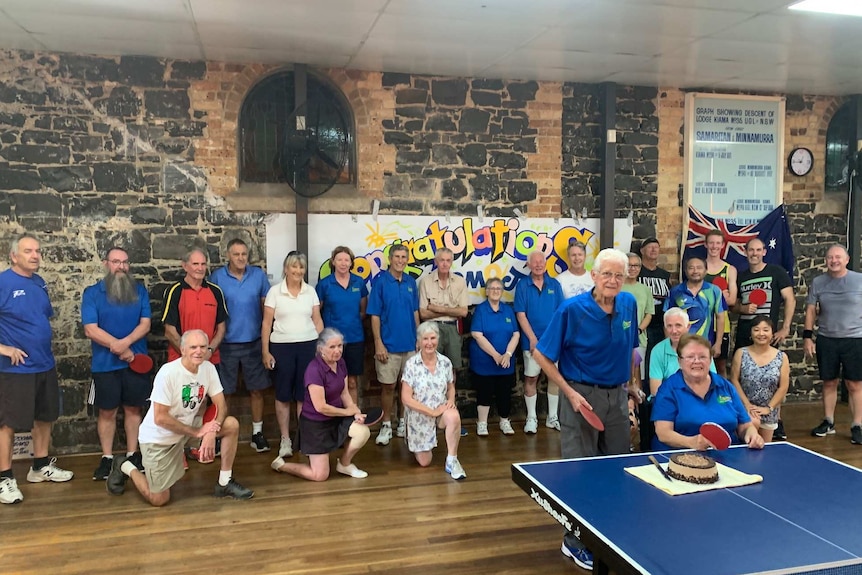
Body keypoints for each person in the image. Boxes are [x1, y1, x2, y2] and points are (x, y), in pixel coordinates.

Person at [533, 248, 641, 571]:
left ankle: (607, 533)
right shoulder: (571, 310)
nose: (612, 280)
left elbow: (631, 348)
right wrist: (568, 393)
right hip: (581, 395)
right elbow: (541, 356)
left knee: (615, 469)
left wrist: (632, 386)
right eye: (606, 273)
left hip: (617, 397)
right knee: (581, 472)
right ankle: (574, 540)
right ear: (593, 276)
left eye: (618, 275)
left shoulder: (628, 304)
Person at [106, 329, 253, 504]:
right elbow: (160, 418)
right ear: (182, 350)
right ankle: (124, 465)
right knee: (159, 499)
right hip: (159, 440)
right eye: (193, 347)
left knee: (231, 425)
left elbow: (221, 405)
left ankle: (224, 482)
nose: (198, 351)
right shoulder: (168, 373)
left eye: (202, 347)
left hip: (186, 430)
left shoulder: (208, 368)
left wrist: (212, 431)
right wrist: (197, 433)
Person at [0, 234, 73, 505]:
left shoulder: (39, 283)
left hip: (44, 364)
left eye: (38, 251)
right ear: (14, 256)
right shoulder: (3, 282)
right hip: (15, 370)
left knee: (45, 416)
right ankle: (4, 478)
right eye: (28, 251)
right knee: (7, 424)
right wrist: (4, 349)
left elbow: (39, 319)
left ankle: (40, 467)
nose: (35, 255)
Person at [82, 247, 152, 481]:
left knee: (134, 409)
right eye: (116, 262)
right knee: (107, 411)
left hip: (135, 362)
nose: (121, 266)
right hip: (105, 366)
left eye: (124, 262)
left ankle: (133, 454)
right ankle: (107, 458)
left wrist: (126, 344)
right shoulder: (92, 293)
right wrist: (118, 347)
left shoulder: (139, 291)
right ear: (106, 264)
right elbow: (90, 329)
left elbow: (145, 325)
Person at [271, 328, 371, 480]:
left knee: (362, 432)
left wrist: (355, 411)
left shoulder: (341, 363)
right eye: (332, 347)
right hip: (315, 424)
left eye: (340, 346)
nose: (337, 351)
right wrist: (347, 412)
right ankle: (282, 465)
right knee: (319, 476)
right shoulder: (314, 370)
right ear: (321, 349)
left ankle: (344, 464)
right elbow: (321, 407)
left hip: (336, 417)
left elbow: (344, 393)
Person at [209, 238, 273, 453]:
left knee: (257, 390)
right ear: (228, 255)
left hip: (254, 343)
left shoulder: (258, 276)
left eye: (244, 254)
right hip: (225, 345)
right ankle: (217, 435)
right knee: (223, 393)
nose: (240, 258)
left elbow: (267, 308)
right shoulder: (217, 277)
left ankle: (257, 433)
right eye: (236, 254)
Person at [652, 333, 764, 451]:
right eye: (690, 357)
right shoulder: (668, 389)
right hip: (681, 456)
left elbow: (745, 425)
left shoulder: (725, 386)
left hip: (728, 455)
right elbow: (663, 433)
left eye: (702, 357)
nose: (697, 361)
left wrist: (752, 434)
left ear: (710, 360)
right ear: (680, 361)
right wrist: (691, 442)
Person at [262, 251, 323, 460]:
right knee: (283, 395)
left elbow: (317, 321)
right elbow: (266, 324)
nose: (298, 271)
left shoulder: (311, 292)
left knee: (303, 395)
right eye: (294, 267)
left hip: (308, 346)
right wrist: (265, 351)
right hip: (282, 348)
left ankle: (303, 438)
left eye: (301, 267)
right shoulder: (274, 292)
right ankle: (286, 440)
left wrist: (323, 346)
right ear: (286, 269)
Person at [735, 237, 794, 440]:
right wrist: (743, 308)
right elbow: (733, 306)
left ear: (764, 252)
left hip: (768, 334)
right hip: (744, 333)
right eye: (751, 250)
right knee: (745, 379)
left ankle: (775, 421)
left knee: (773, 380)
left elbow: (790, 299)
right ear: (746, 252)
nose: (754, 253)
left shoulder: (776, 272)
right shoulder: (741, 277)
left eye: (758, 250)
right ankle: (747, 416)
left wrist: (785, 327)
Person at [804, 245, 862, 444]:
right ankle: (828, 421)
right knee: (829, 382)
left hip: (855, 339)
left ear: (847, 259)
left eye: (838, 257)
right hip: (827, 339)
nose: (834, 260)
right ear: (826, 260)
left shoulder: (859, 280)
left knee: (854, 384)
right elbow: (811, 310)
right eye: (830, 257)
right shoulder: (818, 282)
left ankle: (857, 425)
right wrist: (807, 336)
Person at [367, 244, 419, 446]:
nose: (400, 260)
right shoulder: (380, 283)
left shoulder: (411, 282)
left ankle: (403, 423)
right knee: (388, 386)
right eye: (397, 256)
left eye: (404, 257)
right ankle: (387, 424)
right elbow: (374, 316)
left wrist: (419, 338)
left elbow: (415, 312)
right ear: (390, 258)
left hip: (410, 345)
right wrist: (378, 343)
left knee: (406, 387)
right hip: (388, 346)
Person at [401, 322, 466, 480]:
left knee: (454, 416)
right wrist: (431, 412)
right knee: (425, 462)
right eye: (425, 339)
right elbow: (406, 398)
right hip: (420, 415)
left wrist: (450, 400)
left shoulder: (445, 363)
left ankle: (452, 460)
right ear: (419, 342)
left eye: (432, 338)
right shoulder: (411, 365)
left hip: (440, 410)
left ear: (438, 339)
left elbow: (451, 386)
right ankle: (413, 438)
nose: (429, 343)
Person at [419, 247, 468, 434]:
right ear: (436, 261)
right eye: (442, 260)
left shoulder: (460, 282)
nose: (445, 264)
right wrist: (450, 309)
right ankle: (431, 417)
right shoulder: (425, 282)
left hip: (452, 329)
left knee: (451, 373)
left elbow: (463, 312)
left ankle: (451, 417)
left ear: (452, 262)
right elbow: (423, 312)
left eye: (448, 260)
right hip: (432, 329)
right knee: (430, 372)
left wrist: (437, 307)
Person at [514, 250, 564, 433]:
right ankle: (532, 418)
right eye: (534, 262)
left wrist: (552, 338)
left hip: (552, 343)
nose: (538, 265)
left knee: (554, 378)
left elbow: (560, 314)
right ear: (528, 265)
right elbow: (520, 314)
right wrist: (533, 338)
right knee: (531, 378)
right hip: (531, 343)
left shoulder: (555, 285)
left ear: (545, 263)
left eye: (541, 261)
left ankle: (552, 418)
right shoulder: (522, 286)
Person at [316, 246, 368, 405]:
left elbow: (363, 310)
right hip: (331, 343)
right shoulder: (325, 284)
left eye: (347, 260)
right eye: (339, 259)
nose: (343, 263)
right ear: (333, 262)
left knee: (351, 382)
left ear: (351, 262)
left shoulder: (358, 282)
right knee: (331, 382)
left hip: (354, 339)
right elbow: (317, 311)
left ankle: (352, 419)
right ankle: (332, 417)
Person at [469, 277, 520, 436]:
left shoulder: (508, 310)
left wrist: (507, 354)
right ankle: (482, 423)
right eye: (492, 288)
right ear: (487, 291)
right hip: (484, 361)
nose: (496, 291)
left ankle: (504, 421)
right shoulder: (481, 310)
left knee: (504, 392)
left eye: (499, 288)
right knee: (484, 391)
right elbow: (477, 334)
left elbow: (516, 334)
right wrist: (496, 355)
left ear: (502, 292)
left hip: (505, 362)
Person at [162, 247, 227, 365]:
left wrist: (209, 351)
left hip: (210, 361)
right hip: (181, 361)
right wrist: (189, 355)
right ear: (185, 266)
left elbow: (221, 328)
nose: (200, 268)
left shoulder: (216, 292)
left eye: (203, 264)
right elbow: (169, 331)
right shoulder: (174, 291)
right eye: (195, 264)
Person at [729, 316, 790, 442]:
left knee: (764, 450)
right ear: (751, 333)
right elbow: (734, 380)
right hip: (744, 410)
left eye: (765, 330)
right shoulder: (741, 353)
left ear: (772, 333)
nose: (761, 334)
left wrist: (769, 408)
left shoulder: (782, 357)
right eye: (756, 330)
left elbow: (783, 387)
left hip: (769, 412)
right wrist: (747, 405)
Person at [664, 256, 727, 357]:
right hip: (681, 345)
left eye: (699, 267)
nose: (695, 271)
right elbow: (667, 319)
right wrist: (669, 344)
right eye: (691, 268)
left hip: (706, 344)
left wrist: (718, 343)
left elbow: (720, 317)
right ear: (685, 271)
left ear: (706, 270)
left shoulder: (714, 291)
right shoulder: (676, 292)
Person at [704, 229, 738, 376]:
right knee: (702, 363)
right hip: (702, 324)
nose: (714, 246)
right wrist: (719, 296)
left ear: (723, 245)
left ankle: (722, 397)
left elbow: (731, 300)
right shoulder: (699, 268)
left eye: (718, 243)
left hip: (722, 326)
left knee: (721, 366)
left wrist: (708, 297)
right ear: (705, 244)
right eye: (711, 242)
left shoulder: (730, 269)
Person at [637, 237, 672, 379]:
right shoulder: (637, 273)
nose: (653, 250)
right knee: (641, 363)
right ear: (642, 251)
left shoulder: (664, 275)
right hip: (642, 325)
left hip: (660, 324)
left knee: (657, 359)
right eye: (650, 247)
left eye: (656, 247)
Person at [622, 252, 653, 380]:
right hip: (620, 338)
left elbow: (649, 313)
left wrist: (639, 330)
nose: (633, 268)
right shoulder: (617, 286)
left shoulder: (645, 289)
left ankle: (636, 400)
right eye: (629, 265)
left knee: (637, 375)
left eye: (636, 266)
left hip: (639, 339)